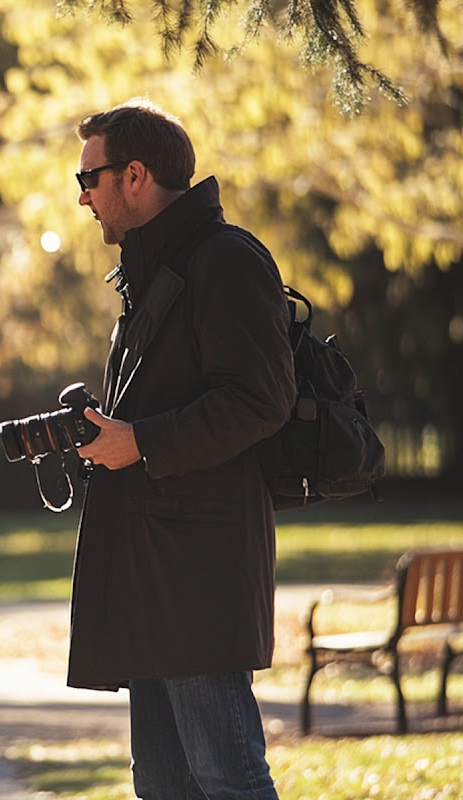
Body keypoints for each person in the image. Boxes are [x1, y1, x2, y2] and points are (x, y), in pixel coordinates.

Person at [66, 99, 294, 799]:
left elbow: (261, 398)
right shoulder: (150, 270)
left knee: (229, 780)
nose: (83, 199)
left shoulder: (225, 259)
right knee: (162, 786)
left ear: (136, 175)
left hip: (200, 579)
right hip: (150, 579)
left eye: (89, 180)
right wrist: (107, 436)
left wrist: (139, 443)